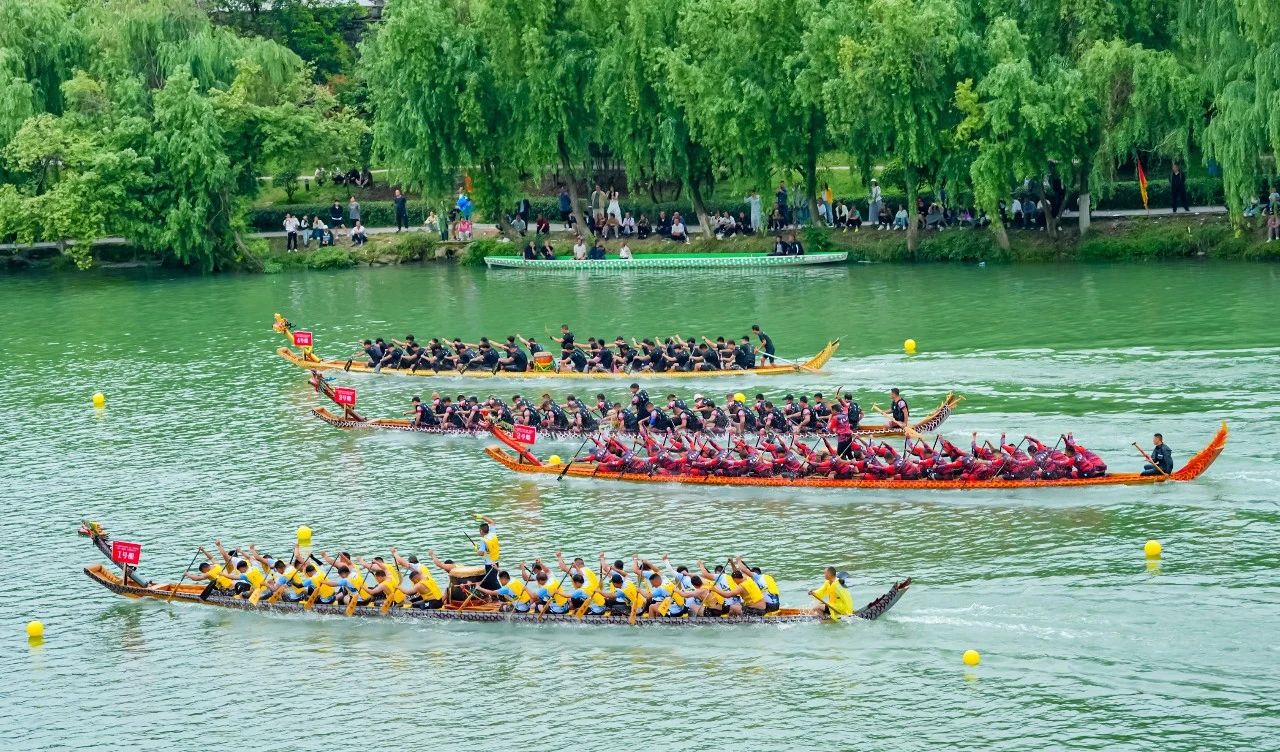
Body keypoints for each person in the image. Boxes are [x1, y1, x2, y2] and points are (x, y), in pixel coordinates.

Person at [473, 515, 500, 589]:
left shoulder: (483, 540)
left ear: (481, 531)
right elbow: (492, 522)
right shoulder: (493, 534)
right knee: (493, 581)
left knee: (493, 583)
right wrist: (481, 516)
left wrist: (476, 550)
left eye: (479, 530)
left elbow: (481, 553)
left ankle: (504, 594)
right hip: (496, 562)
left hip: (489, 565)